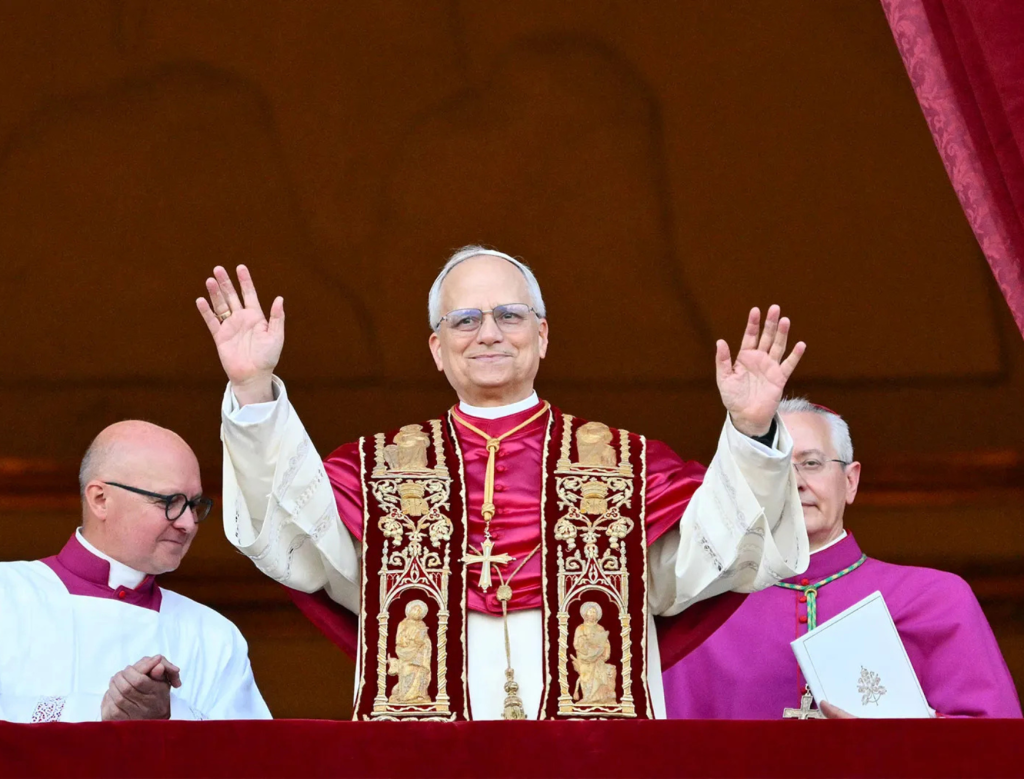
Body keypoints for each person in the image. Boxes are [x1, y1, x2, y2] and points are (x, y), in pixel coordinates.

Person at [196, 245, 810, 721]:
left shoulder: (626, 464)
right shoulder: (378, 470)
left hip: (591, 755)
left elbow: (718, 556)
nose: (488, 332)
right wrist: (253, 392)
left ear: (543, 335)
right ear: (436, 349)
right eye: (464, 319)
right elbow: (293, 542)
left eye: (510, 315)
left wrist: (752, 432)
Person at [663, 398, 1023, 719]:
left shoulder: (935, 597)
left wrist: (902, 743)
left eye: (812, 463)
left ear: (850, 481)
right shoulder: (699, 611)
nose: (796, 482)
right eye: (777, 469)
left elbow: (998, 750)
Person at [0, 421, 271, 722]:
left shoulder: (214, 635)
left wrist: (168, 716)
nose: (188, 524)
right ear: (100, 499)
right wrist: (99, 711)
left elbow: (247, 757)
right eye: (170, 502)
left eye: (193, 505)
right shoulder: (7, 594)